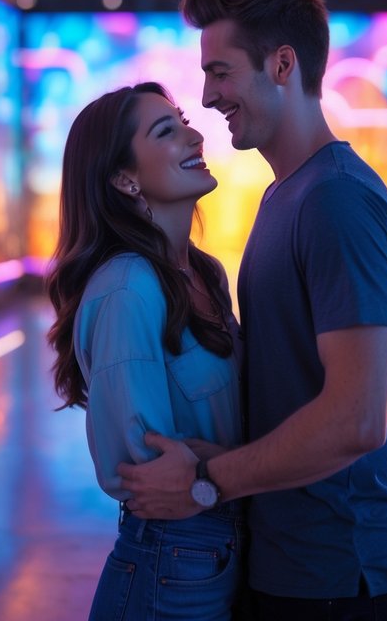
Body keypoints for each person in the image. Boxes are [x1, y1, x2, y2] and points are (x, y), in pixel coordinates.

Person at [118, 0, 387, 619]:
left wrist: (203, 482)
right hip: (292, 559)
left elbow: (356, 418)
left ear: (282, 64)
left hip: (336, 571)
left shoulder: (335, 200)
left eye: (221, 72)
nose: (208, 96)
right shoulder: (287, 195)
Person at [46, 82, 246, 621]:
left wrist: (221, 465)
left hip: (223, 550)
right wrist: (266, 465)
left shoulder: (205, 272)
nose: (195, 134)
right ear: (123, 179)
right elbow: (144, 471)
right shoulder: (128, 287)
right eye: (167, 131)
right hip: (172, 564)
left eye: (184, 121)